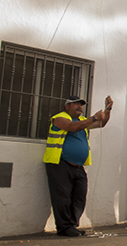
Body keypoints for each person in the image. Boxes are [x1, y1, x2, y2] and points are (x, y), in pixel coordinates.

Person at [43, 94, 113, 236]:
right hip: (60, 164)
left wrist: (108, 109)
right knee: (62, 197)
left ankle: (72, 225)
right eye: (75, 104)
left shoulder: (82, 120)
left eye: (81, 104)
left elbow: (101, 123)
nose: (79, 107)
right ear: (67, 106)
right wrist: (93, 118)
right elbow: (72, 127)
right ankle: (64, 228)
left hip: (78, 166)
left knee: (79, 196)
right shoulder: (60, 118)